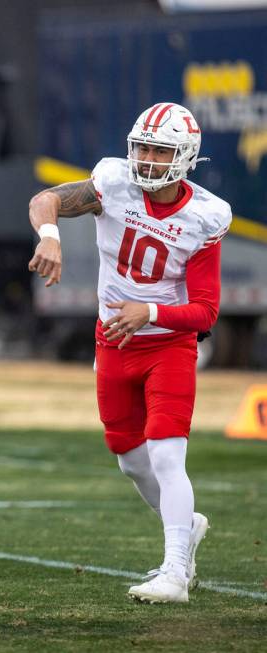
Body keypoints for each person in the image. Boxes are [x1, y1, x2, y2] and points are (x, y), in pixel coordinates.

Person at [27, 102, 231, 604]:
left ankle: (175, 573)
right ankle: (186, 524)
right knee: (129, 460)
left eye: (158, 150)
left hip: (168, 345)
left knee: (165, 453)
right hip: (113, 340)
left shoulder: (204, 215)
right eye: (141, 145)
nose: (145, 157)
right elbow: (44, 199)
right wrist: (50, 237)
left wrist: (152, 313)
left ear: (184, 156)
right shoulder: (113, 183)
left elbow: (205, 311)